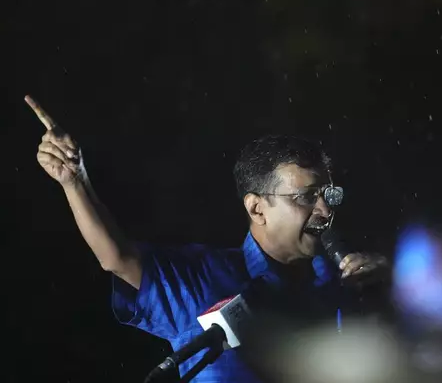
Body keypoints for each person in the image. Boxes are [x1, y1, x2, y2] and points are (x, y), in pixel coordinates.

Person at [27, 95, 389, 382]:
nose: (325, 210)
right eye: (307, 196)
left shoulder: (344, 286)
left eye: (329, 196)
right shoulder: (205, 279)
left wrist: (391, 284)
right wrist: (75, 181)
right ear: (257, 208)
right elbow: (117, 259)